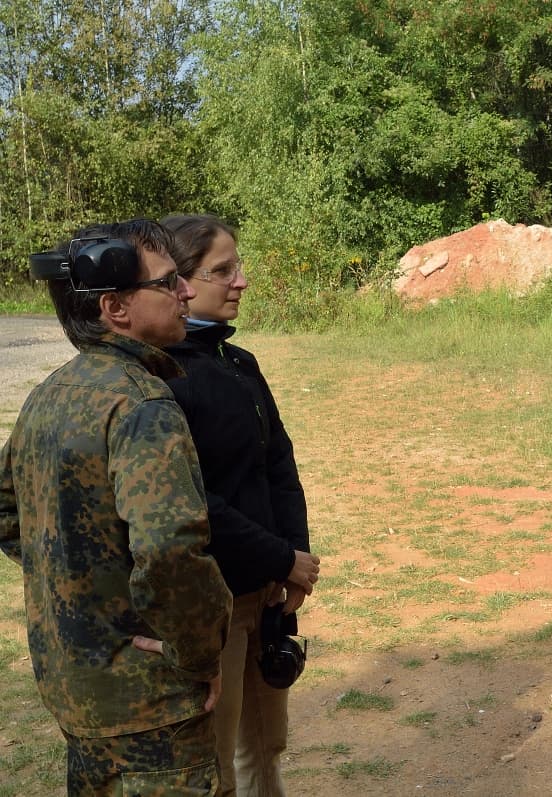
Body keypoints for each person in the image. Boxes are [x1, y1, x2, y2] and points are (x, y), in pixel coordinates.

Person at [0, 219, 233, 794]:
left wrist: (80, 583)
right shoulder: (142, 404)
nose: (185, 292)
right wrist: (198, 655)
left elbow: (7, 512)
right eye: (168, 282)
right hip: (150, 704)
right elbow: (171, 551)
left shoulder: (51, 392)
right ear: (116, 308)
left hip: (73, 688)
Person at [161, 214, 319, 797]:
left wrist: (295, 558)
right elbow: (193, 501)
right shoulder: (164, 377)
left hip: (266, 592)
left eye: (238, 267)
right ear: (180, 282)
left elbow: (279, 462)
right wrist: (282, 558)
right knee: (216, 761)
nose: (241, 282)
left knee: (266, 743)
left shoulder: (240, 363)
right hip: (213, 600)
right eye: (223, 270)